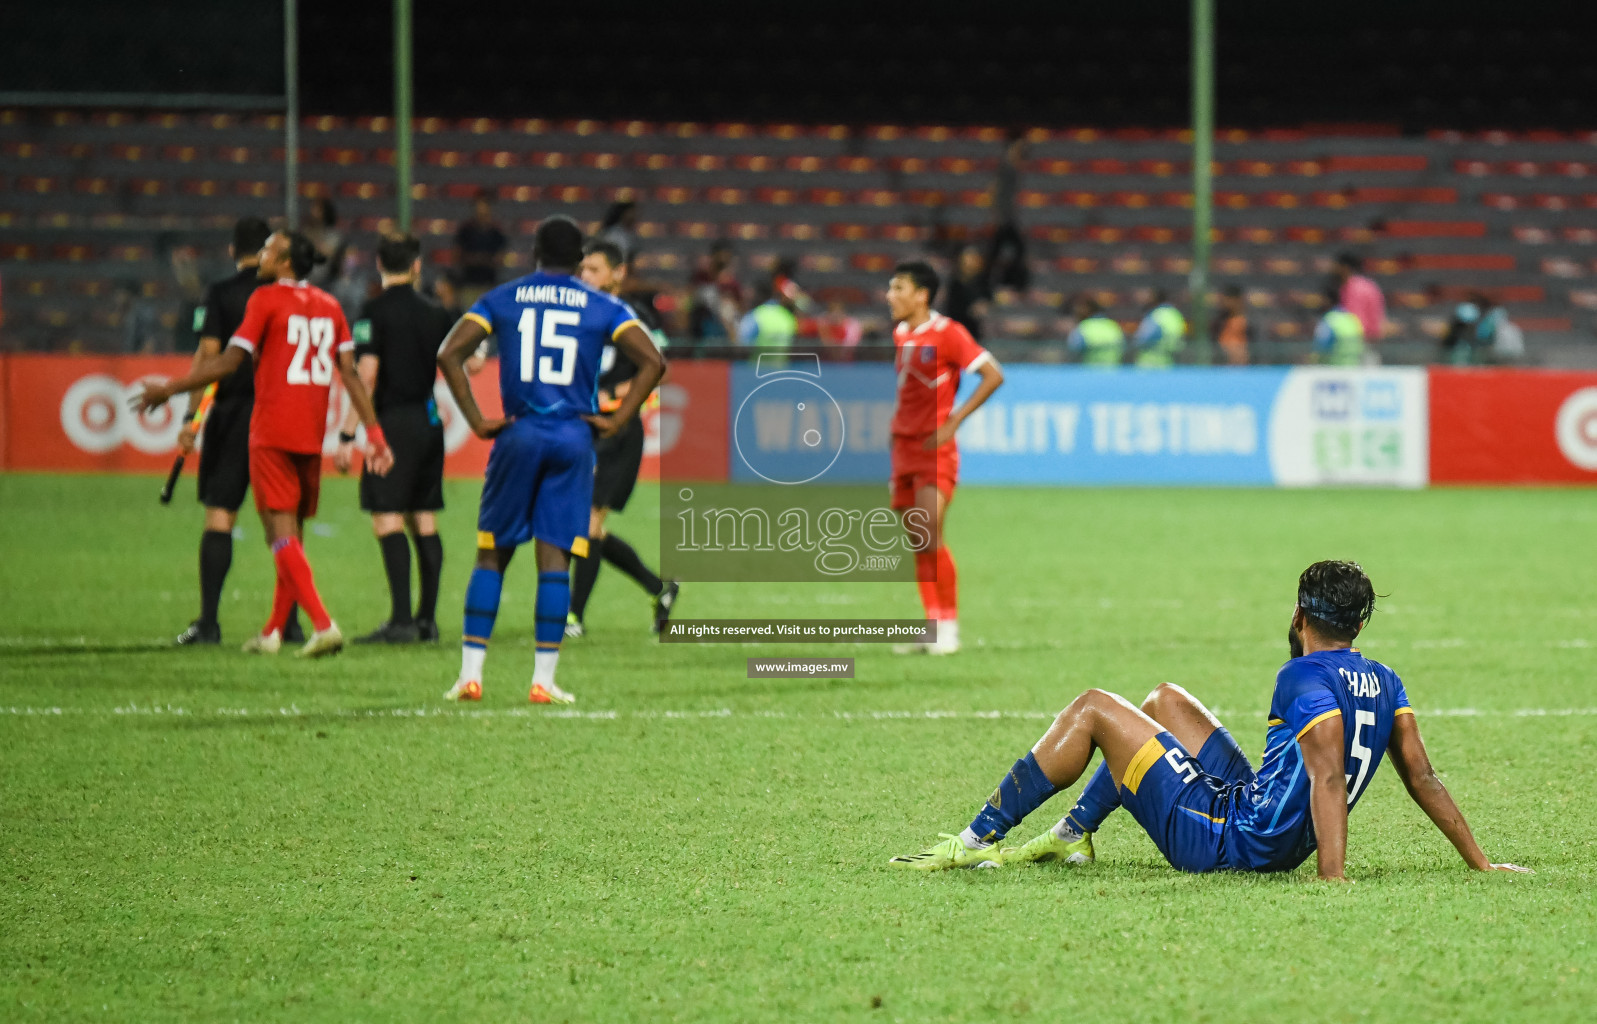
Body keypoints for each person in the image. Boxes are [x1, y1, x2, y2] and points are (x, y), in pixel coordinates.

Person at [889, 560, 1532, 881]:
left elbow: (1328, 777)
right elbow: (1422, 777)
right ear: (1360, 626)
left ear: (1299, 616)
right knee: (1164, 701)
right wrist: (1480, 862)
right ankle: (1074, 832)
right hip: (1260, 814)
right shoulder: (1386, 680)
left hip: (1231, 839)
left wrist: (1332, 880)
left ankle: (971, 842)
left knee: (1091, 707)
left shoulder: (1302, 677)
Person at [435, 216, 665, 705]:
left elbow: (450, 352)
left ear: (534, 251)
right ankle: (543, 680)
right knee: (555, 555)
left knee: (491, 552)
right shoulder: (604, 305)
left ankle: (471, 676)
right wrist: (619, 419)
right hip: (573, 438)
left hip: (518, 434)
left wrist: (476, 419)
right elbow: (654, 361)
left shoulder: (502, 297)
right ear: (580, 258)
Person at [133, 231, 394, 658]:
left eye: (270, 250)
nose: (263, 257)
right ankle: (273, 631)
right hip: (310, 432)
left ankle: (323, 624)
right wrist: (374, 435)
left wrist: (172, 388)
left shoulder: (265, 300)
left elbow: (230, 361)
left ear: (286, 261)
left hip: (271, 429)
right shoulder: (330, 306)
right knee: (292, 530)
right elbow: (349, 373)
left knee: (279, 530)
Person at [172, 216, 303, 646]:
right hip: (277, 413)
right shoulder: (289, 295)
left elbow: (208, 357)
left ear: (232, 250)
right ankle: (294, 622)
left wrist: (192, 420)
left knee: (220, 515)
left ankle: (209, 622)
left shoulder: (222, 294)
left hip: (230, 414)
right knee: (281, 522)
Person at [334, 234, 470, 644]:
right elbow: (470, 361)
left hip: (391, 424)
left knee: (388, 517)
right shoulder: (436, 312)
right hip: (429, 421)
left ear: (379, 264)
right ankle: (426, 619)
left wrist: (348, 431)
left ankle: (399, 621)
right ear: (416, 266)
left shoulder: (372, 311)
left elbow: (367, 374)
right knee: (424, 516)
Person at [886, 261, 1005, 656]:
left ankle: (948, 626)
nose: (890, 296)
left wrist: (955, 419)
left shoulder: (948, 333)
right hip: (903, 448)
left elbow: (992, 374)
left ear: (921, 294)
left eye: (898, 288)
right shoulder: (902, 333)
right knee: (919, 539)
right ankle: (932, 626)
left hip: (935, 449)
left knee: (931, 530)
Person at [565, 239, 678, 639]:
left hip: (619, 432)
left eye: (594, 269)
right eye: (583, 270)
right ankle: (658, 587)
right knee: (583, 527)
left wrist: (618, 404)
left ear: (618, 273)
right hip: (582, 430)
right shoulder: (574, 314)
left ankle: (573, 617)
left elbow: (657, 369)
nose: (586, 277)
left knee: (587, 522)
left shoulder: (636, 317)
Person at [454, 192, 508, 310]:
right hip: (469, 286)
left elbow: (499, 260)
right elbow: (458, 257)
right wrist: (484, 259)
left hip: (489, 285)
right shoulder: (465, 231)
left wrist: (476, 259)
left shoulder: (497, 234)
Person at [1333, 252, 1386, 343]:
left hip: (1359, 341)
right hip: (1371, 339)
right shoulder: (1367, 284)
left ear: (1344, 267)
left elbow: (1356, 320)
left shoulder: (1353, 287)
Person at [943, 245, 992, 340]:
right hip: (959, 331)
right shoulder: (955, 284)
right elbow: (951, 310)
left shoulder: (983, 281)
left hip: (978, 333)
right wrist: (970, 311)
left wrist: (985, 305)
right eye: (967, 259)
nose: (969, 263)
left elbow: (989, 299)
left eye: (973, 259)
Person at [1131, 289, 1187, 368]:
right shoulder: (1176, 315)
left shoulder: (1156, 315)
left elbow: (1143, 338)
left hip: (1149, 363)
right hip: (1169, 362)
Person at [1066, 296, 1125, 366]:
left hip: (1089, 372)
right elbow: (1123, 347)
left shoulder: (1083, 327)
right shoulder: (1113, 325)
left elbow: (1072, 350)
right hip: (1112, 372)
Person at [1312, 289, 1365, 366]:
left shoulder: (1329, 320)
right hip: (1353, 368)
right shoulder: (1352, 318)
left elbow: (1320, 349)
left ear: (1327, 301)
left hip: (1333, 370)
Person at [1213, 284, 1251, 366]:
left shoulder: (1249, 323)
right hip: (1223, 367)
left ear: (1237, 300)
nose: (1224, 303)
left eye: (1227, 299)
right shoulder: (1219, 321)